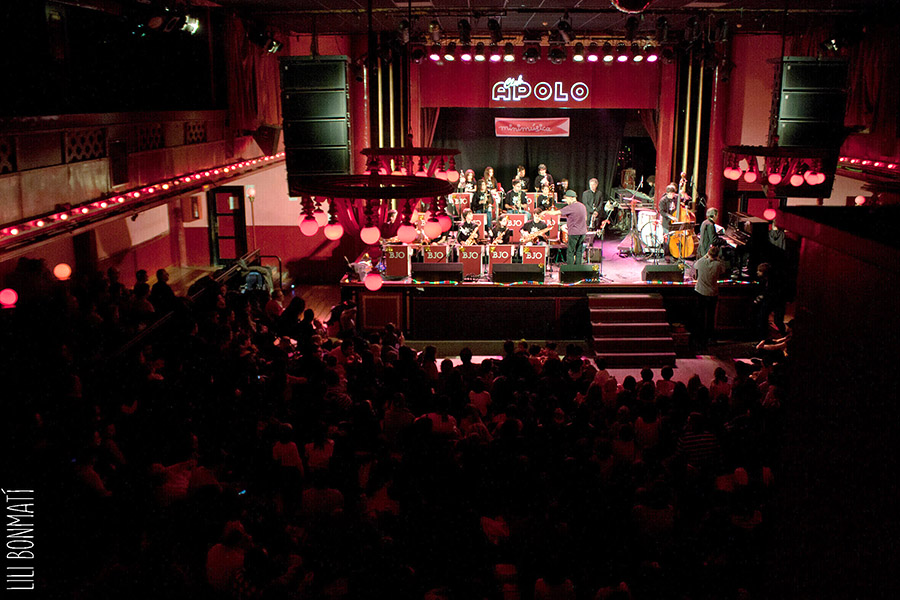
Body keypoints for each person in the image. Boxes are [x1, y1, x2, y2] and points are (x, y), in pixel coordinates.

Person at [692, 245, 727, 350]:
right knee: (711, 317)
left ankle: (699, 338)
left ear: (708, 253)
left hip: (700, 292)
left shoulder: (701, 262)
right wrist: (718, 259)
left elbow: (695, 265)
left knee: (700, 315)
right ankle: (709, 338)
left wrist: (705, 255)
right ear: (717, 255)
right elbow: (723, 271)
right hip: (712, 294)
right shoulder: (718, 265)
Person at [560, 189, 588, 265]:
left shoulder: (571, 207)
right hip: (583, 232)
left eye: (567, 199)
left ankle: (570, 269)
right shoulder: (582, 206)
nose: (566, 201)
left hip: (574, 233)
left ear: (571, 198)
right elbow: (585, 218)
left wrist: (545, 212)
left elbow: (557, 212)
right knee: (579, 251)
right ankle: (578, 269)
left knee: (570, 252)